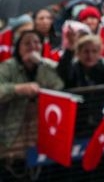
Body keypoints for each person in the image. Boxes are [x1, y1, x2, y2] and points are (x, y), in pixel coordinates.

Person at [0, 29, 64, 167]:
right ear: (18, 47)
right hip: (14, 129)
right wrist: (18, 89)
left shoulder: (46, 65)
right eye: (27, 43)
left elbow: (59, 86)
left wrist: (42, 63)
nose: (32, 46)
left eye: (37, 42)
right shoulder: (8, 66)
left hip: (41, 127)